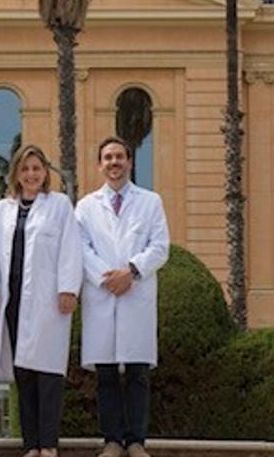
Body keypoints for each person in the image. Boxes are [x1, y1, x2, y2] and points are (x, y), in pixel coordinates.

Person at [76, 137, 170, 457]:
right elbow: (81, 249)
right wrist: (108, 278)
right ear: (99, 165)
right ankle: (112, 440)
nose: (114, 163)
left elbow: (159, 247)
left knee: (137, 373)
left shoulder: (150, 201)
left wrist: (131, 271)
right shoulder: (86, 206)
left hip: (136, 292)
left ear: (130, 162)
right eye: (108, 158)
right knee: (105, 375)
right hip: (102, 294)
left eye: (119, 157)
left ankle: (136, 441)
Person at [0, 144, 82, 457]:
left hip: (48, 300)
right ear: (16, 173)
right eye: (25, 169)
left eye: (36, 168)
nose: (31, 174)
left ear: (45, 173)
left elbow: (71, 248)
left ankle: (48, 445)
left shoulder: (59, 206)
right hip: (13, 301)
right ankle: (31, 445)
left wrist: (69, 288)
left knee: (49, 373)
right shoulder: (1, 210)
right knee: (23, 373)